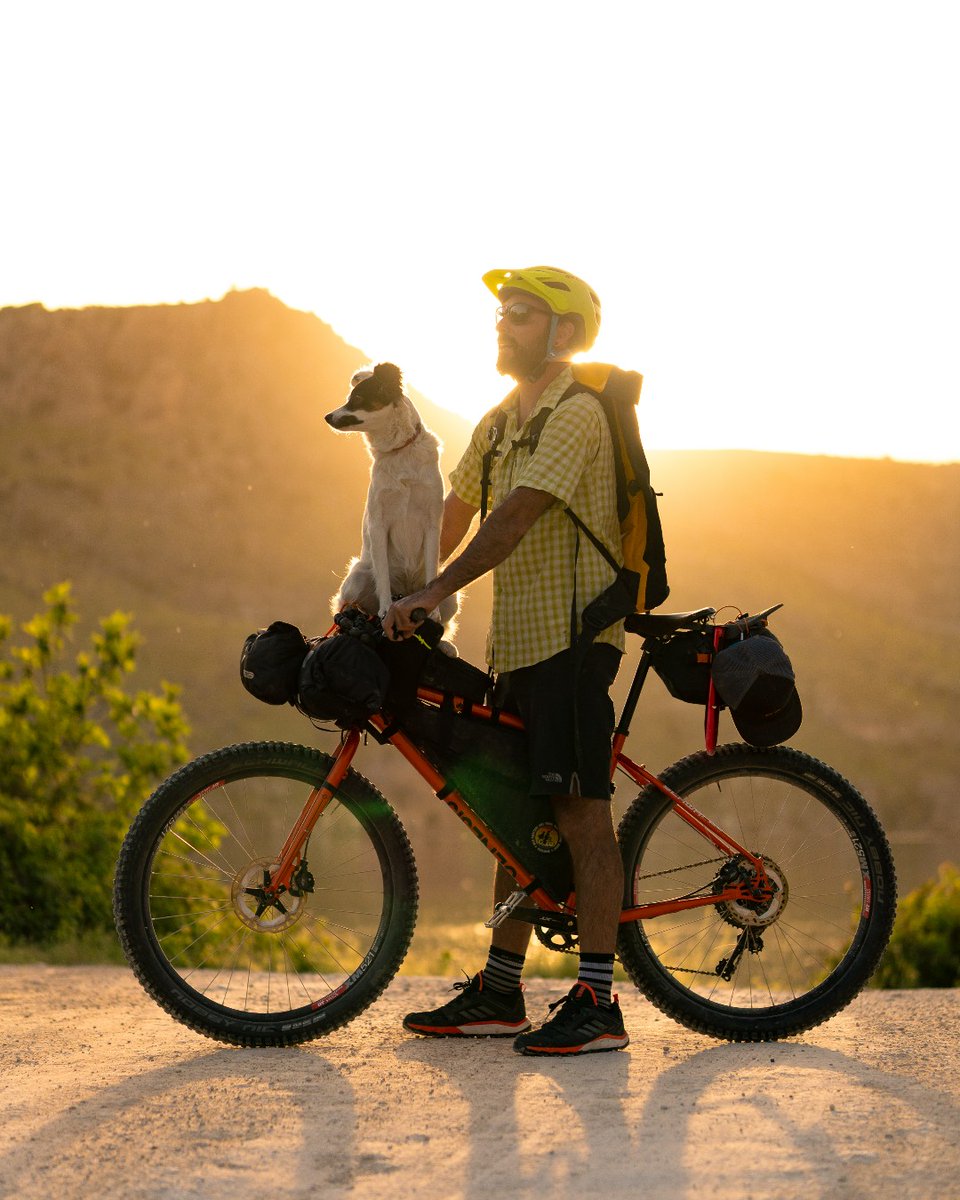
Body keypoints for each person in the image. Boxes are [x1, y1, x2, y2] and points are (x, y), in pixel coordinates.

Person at [383, 266, 629, 1056]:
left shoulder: (577, 413)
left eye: (520, 315)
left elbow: (517, 515)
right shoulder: (498, 420)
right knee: (518, 824)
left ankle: (598, 1002)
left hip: (573, 641)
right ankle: (499, 991)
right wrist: (388, 593)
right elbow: (450, 514)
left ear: (562, 332)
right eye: (501, 312)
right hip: (518, 646)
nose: (502, 324)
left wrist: (437, 592)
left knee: (581, 814)